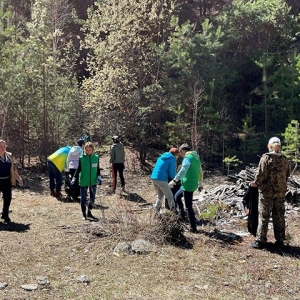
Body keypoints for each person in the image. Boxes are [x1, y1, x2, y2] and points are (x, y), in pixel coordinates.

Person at [248, 137, 291, 249]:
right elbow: (287, 174)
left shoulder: (266, 158)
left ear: (269, 146)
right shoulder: (285, 159)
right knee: (279, 216)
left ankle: (260, 241)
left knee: (264, 216)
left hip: (267, 192)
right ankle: (280, 241)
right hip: (280, 192)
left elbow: (260, 174)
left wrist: (256, 183)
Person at [169, 143, 203, 233]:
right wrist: (200, 184)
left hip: (188, 185)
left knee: (188, 207)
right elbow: (200, 171)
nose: (181, 154)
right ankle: (182, 215)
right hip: (190, 184)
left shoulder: (187, 158)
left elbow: (183, 170)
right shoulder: (196, 158)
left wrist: (175, 180)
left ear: (183, 150)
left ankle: (193, 228)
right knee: (177, 196)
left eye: (181, 152)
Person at [75, 142, 101, 220]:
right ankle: (84, 214)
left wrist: (99, 177)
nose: (88, 151)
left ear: (93, 150)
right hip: (83, 180)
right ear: (84, 150)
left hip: (93, 181)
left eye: (90, 150)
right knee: (83, 198)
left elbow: (97, 168)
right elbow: (78, 169)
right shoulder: (81, 158)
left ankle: (89, 212)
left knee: (92, 198)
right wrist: (74, 178)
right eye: (87, 150)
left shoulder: (96, 157)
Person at [0, 139, 23, 223]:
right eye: (0, 146)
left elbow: (13, 169)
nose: (2, 148)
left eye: (4, 146)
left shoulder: (8, 156)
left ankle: (5, 215)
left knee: (7, 198)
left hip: (7, 181)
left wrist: (19, 178)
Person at [151, 148, 179, 214]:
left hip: (154, 178)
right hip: (161, 179)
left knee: (160, 196)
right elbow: (172, 173)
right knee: (170, 196)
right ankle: (174, 213)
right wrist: (176, 179)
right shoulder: (172, 159)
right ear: (175, 154)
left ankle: (156, 212)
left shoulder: (161, 157)